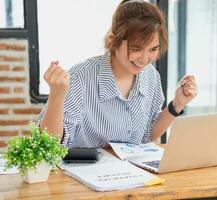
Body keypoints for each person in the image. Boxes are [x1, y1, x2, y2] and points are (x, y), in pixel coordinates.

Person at [37, 0, 198, 148]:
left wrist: (177, 104)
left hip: (132, 173)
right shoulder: (81, 77)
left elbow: (148, 134)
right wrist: (56, 95)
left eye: (153, 49)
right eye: (136, 48)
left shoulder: (150, 76)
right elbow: (48, 143)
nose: (144, 59)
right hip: (81, 175)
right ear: (113, 41)